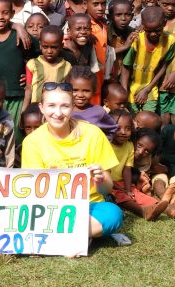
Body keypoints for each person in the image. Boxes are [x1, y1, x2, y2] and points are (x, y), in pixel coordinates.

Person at [21, 82, 124, 242]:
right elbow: (33, 194)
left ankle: (66, 236)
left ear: (73, 107)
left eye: (65, 106)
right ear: (42, 108)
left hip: (89, 206)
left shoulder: (93, 134)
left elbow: (106, 189)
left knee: (113, 214)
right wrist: (48, 180)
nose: (58, 113)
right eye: (51, 106)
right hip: (51, 208)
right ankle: (79, 236)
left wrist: (101, 179)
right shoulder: (31, 141)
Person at [107, 109, 174, 220]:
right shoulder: (105, 144)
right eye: (118, 128)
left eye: (128, 128)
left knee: (137, 194)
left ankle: (170, 209)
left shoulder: (129, 146)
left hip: (122, 182)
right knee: (122, 196)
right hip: (107, 182)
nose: (123, 132)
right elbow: (105, 174)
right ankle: (143, 212)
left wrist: (128, 189)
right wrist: (123, 190)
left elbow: (127, 170)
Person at [0, 0, 29, 133]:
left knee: (15, 134)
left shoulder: (19, 36)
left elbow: (40, 56)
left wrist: (29, 76)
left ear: (12, 13)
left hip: (17, 95)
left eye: (5, 13)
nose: (0, 16)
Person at [121, 6, 175, 113]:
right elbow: (126, 66)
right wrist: (124, 91)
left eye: (158, 30)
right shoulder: (137, 39)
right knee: (133, 117)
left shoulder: (170, 41)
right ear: (143, 25)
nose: (153, 34)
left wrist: (147, 89)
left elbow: (163, 67)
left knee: (148, 117)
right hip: (132, 87)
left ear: (164, 23)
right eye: (149, 31)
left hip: (151, 87)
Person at [23, 25, 72, 111]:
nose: (49, 51)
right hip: (37, 110)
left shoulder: (67, 66)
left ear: (61, 46)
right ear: (40, 45)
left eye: (54, 47)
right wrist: (24, 111)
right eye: (45, 47)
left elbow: (68, 91)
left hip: (56, 110)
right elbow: (28, 89)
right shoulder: (32, 64)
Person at [66, 66, 117, 140]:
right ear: (67, 89)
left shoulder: (98, 112)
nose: (80, 95)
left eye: (86, 91)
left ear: (93, 91)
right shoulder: (62, 110)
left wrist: (101, 143)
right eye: (75, 90)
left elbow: (112, 130)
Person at [85, 0, 108, 104]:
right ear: (85, 4)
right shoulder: (83, 27)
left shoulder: (104, 24)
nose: (100, 8)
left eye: (103, 4)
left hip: (101, 79)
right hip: (88, 81)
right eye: (95, 4)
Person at [107, 0, 136, 79]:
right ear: (109, 17)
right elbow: (102, 54)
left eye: (128, 15)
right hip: (107, 76)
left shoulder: (133, 33)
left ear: (132, 16)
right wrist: (125, 47)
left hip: (126, 77)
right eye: (118, 15)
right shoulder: (104, 32)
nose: (123, 19)